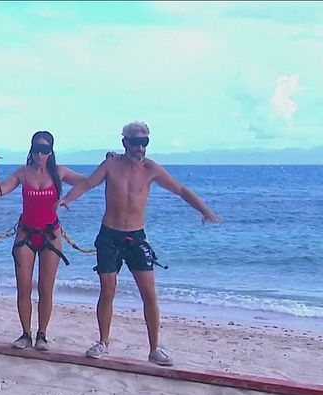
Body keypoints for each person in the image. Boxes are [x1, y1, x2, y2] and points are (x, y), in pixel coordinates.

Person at [57, 121, 220, 366]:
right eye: (135, 142)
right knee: (107, 291)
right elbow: (89, 183)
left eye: (144, 142)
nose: (140, 147)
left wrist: (203, 209)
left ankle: (154, 348)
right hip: (109, 236)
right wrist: (67, 199)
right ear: (125, 142)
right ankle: (103, 342)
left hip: (136, 236)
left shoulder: (151, 169)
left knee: (149, 294)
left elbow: (180, 189)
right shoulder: (111, 164)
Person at [0, 131, 87, 351]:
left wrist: (68, 199)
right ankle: (25, 334)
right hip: (26, 234)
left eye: (45, 149)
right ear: (31, 149)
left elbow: (89, 182)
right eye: (37, 149)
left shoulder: (59, 172)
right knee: (24, 288)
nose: (40, 154)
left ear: (51, 151)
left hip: (51, 234)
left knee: (45, 289)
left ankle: (42, 335)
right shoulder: (22, 172)